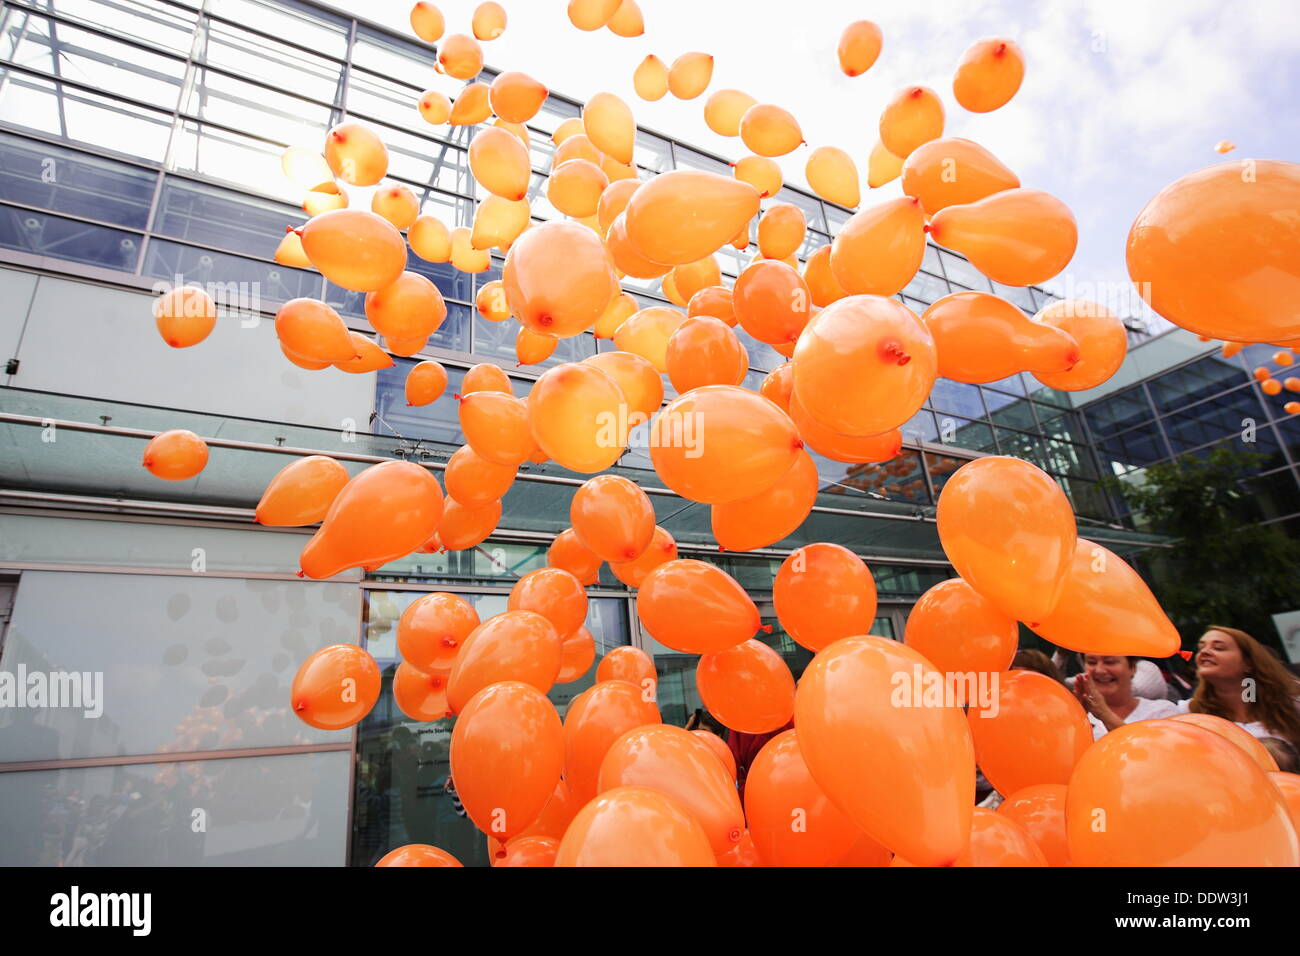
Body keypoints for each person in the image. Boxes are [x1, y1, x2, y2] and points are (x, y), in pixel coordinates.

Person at [1175, 626, 1300, 751]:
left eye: (1219, 648)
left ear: (1248, 663)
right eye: (1201, 648)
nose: (1204, 652)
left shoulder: (1291, 705)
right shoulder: (1186, 714)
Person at [1073, 654, 1180, 739]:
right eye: (1092, 662)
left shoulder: (1161, 712)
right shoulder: (1083, 716)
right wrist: (1077, 718)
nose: (1099, 670)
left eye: (1110, 662)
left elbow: (1158, 755)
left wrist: (1105, 715)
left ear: (1132, 667)